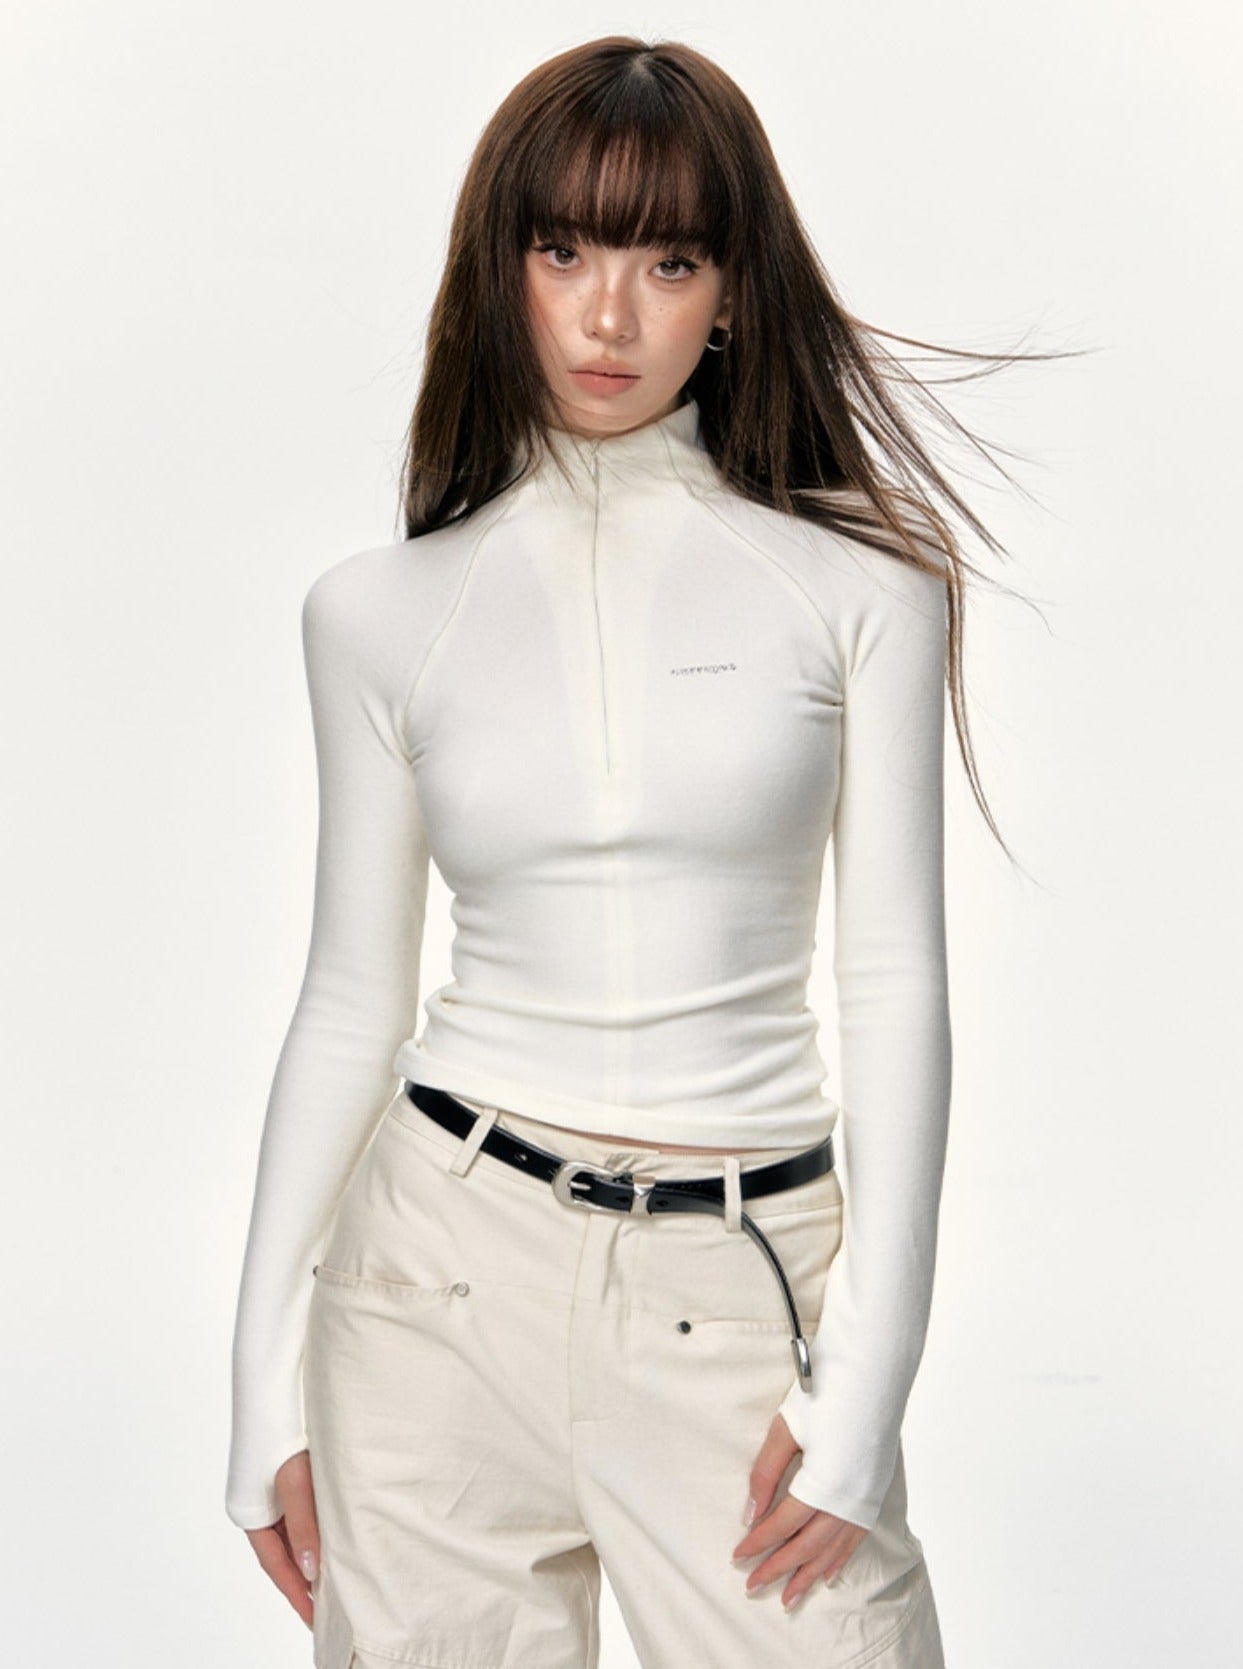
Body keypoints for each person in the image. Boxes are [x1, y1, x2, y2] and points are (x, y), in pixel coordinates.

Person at [226, 34, 1036, 1669]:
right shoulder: (376, 614)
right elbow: (350, 999)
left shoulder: (862, 593)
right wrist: (258, 1379)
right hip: (432, 1292)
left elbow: (892, 985)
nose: (611, 314)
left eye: (670, 260)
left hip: (735, 1295)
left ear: (731, 293)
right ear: (502, 270)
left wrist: (869, 1375)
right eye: (564, 250)